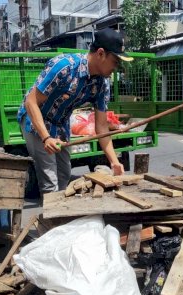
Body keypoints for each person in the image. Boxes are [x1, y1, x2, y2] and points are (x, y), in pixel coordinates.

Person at [18, 28, 132, 194]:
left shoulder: (102, 84)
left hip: (60, 123)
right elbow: (31, 101)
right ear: (101, 53)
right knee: (50, 182)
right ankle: (53, 217)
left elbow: (101, 127)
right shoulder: (64, 67)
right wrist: (46, 138)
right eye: (115, 61)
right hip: (36, 120)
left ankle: (63, 214)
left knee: (64, 175)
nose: (116, 67)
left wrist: (114, 162)